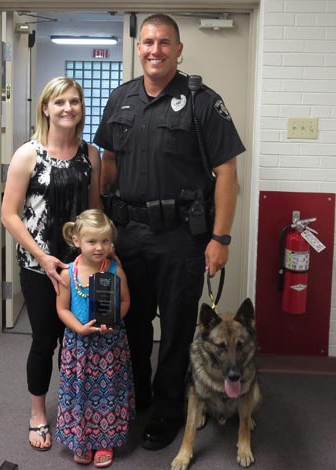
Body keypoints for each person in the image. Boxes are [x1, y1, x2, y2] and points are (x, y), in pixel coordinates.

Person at [94, 13, 245, 451]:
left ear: (179, 50)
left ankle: (167, 410)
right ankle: (138, 399)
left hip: (182, 238)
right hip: (128, 235)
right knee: (131, 323)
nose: (154, 50)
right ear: (138, 48)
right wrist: (100, 230)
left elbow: (227, 172)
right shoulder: (120, 99)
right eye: (147, 42)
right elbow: (108, 164)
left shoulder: (202, 102)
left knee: (177, 329)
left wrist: (220, 238)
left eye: (164, 42)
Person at [1, 77, 101, 451]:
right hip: (38, 265)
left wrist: (101, 255)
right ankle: (39, 414)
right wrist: (42, 257)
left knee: (79, 339)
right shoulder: (28, 154)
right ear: (46, 108)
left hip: (80, 268)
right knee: (45, 340)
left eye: (74, 101)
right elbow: (9, 215)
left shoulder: (90, 154)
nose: (67, 108)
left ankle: (77, 409)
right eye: (59, 102)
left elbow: (94, 211)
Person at [54, 209, 134, 468]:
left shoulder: (114, 270)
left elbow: (125, 301)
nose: (99, 247)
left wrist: (115, 321)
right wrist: (77, 328)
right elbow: (62, 308)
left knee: (106, 392)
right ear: (76, 241)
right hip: (79, 347)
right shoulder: (68, 273)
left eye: (105, 241)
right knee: (80, 395)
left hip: (108, 346)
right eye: (92, 241)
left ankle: (105, 440)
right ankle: (82, 440)